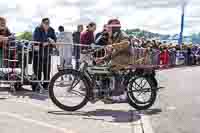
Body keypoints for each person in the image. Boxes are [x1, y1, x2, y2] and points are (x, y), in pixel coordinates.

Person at [95, 19, 130, 103]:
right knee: (101, 70)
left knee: (112, 68)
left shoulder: (122, 34)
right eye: (108, 28)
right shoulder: (112, 36)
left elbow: (126, 43)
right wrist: (101, 59)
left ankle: (120, 94)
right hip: (116, 58)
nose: (108, 29)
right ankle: (104, 93)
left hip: (124, 58)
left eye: (110, 28)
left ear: (115, 28)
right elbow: (110, 52)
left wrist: (112, 45)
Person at [32, 18, 57, 91]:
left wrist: (50, 42)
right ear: (42, 23)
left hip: (47, 53)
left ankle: (46, 86)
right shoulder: (38, 29)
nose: (47, 24)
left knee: (47, 71)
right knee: (37, 71)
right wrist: (47, 41)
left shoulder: (51, 30)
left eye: (48, 23)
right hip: (38, 53)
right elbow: (36, 39)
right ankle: (36, 86)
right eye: (46, 23)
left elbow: (54, 40)